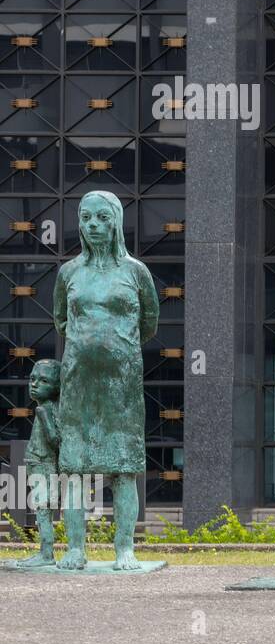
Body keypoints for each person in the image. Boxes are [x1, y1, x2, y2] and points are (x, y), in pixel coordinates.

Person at [54, 190, 159, 571]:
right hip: (79, 383)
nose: (93, 226)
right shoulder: (69, 272)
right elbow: (62, 322)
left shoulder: (135, 272)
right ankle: (76, 550)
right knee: (76, 468)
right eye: (86, 218)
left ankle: (124, 549)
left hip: (123, 386)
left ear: (116, 221)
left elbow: (149, 323)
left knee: (124, 467)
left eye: (101, 218)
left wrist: (115, 348)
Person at [14, 360, 61, 568]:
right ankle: (45, 552)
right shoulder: (44, 407)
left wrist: (44, 418)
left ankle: (46, 553)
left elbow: (55, 439)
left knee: (43, 509)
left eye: (43, 381)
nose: (34, 384)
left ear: (57, 386)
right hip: (37, 461)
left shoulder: (47, 409)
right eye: (32, 379)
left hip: (43, 463)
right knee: (41, 508)